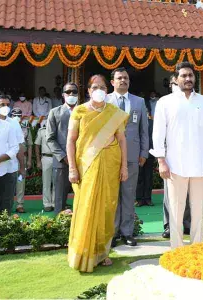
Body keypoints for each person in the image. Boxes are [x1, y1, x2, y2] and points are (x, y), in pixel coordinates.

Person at [150, 62, 203, 249]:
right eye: (184, 76)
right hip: (174, 166)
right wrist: (161, 161)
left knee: (198, 211)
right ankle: (177, 250)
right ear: (175, 79)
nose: (188, 79)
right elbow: (158, 134)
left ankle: (197, 248)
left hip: (200, 165)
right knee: (175, 210)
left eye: (191, 75)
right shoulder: (165, 102)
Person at [66, 74, 128, 272]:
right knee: (87, 206)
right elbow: (70, 141)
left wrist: (124, 166)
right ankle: (83, 252)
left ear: (107, 90)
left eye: (102, 86)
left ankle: (103, 252)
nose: (99, 89)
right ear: (89, 90)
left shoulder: (114, 112)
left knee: (107, 207)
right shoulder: (80, 111)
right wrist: (72, 168)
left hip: (111, 164)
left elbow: (122, 140)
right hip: (87, 166)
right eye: (95, 87)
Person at [107, 67, 149, 247]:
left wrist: (144, 152)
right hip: (109, 154)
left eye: (125, 78)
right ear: (112, 82)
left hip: (132, 155)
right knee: (112, 196)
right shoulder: (105, 101)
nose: (123, 80)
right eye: (119, 78)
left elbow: (144, 130)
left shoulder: (139, 102)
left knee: (128, 195)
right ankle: (113, 233)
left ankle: (127, 233)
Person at [162, 74, 191, 239]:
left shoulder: (193, 103)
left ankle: (186, 223)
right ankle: (169, 225)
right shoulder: (165, 103)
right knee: (169, 193)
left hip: (190, 153)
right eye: (172, 83)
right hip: (170, 154)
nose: (175, 85)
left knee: (188, 191)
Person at [46, 82, 79, 213]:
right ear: (63, 95)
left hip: (82, 160)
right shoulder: (54, 112)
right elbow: (50, 138)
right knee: (60, 198)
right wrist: (64, 157)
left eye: (74, 92)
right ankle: (59, 227)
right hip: (61, 162)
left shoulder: (85, 111)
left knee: (83, 197)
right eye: (68, 92)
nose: (71, 94)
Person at [135, 91, 158, 207]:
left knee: (148, 177)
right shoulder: (136, 122)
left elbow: (155, 137)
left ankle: (148, 199)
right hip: (138, 153)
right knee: (139, 176)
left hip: (149, 153)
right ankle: (139, 199)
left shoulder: (153, 123)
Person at [14, 108, 33, 213]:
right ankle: (6, 205)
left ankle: (20, 204)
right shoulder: (8, 126)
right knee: (9, 181)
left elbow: (29, 145)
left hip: (22, 159)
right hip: (10, 160)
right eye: (14, 115)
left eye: (18, 115)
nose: (17, 116)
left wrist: (29, 160)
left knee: (20, 181)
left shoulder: (26, 127)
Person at [35, 119, 55, 211]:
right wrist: (38, 161)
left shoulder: (57, 130)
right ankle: (47, 204)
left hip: (57, 158)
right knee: (46, 182)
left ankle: (55, 203)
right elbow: (37, 145)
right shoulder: (42, 131)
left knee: (56, 182)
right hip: (46, 157)